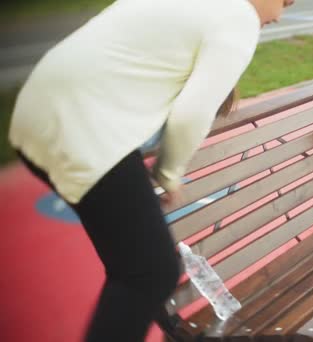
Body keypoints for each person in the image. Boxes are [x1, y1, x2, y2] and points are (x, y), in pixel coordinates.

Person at [8, 0, 294, 341]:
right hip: (87, 127)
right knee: (150, 272)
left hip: (39, 112)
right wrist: (169, 173)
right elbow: (192, 113)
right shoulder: (239, 15)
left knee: (134, 267)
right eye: (285, 0)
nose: (283, 11)